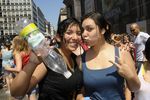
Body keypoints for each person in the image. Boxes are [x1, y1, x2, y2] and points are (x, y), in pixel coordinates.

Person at [10, 18, 83, 100]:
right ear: (58, 37)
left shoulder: (75, 58)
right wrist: (32, 63)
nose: (75, 37)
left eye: (79, 33)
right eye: (69, 33)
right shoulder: (48, 58)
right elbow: (16, 93)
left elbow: (77, 89)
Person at [76, 12, 140, 100]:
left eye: (89, 29)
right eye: (83, 30)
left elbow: (135, 88)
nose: (84, 34)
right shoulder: (80, 60)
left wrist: (129, 76)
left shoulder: (122, 53)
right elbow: (81, 90)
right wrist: (79, 97)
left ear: (103, 30)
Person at [4, 36, 38, 100]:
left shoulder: (18, 54)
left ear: (16, 43)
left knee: (16, 97)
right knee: (32, 94)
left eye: (13, 42)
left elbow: (18, 69)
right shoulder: (28, 51)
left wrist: (7, 68)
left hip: (22, 78)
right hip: (31, 75)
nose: (12, 43)